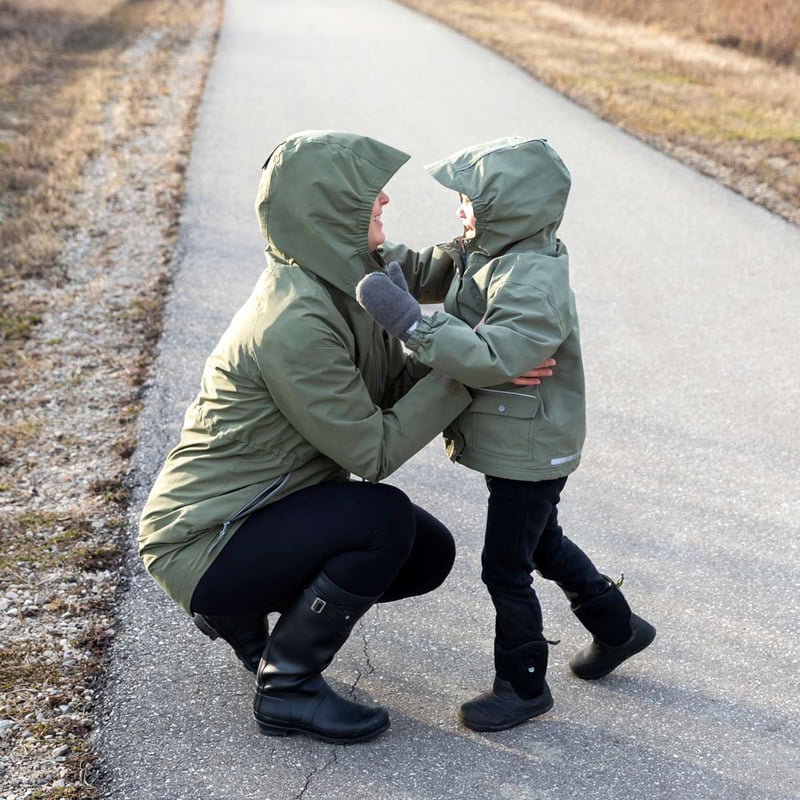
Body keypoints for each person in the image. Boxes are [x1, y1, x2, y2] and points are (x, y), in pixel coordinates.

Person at [138, 130, 553, 745]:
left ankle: (241, 617)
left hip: (261, 511)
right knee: (382, 519)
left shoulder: (348, 278)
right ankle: (288, 687)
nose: (384, 199)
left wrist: (483, 318)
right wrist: (474, 368)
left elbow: (400, 361)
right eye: (367, 192)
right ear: (325, 209)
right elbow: (373, 451)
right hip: (203, 536)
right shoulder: (291, 322)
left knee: (426, 552)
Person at [357, 136, 656, 733]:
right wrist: (382, 265)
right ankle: (618, 627)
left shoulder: (531, 277)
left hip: (532, 446)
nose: (460, 212)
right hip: (520, 436)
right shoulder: (488, 249)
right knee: (540, 541)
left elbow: (498, 355)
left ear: (508, 206)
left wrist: (415, 323)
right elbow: (426, 270)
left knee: (504, 567)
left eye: (469, 201)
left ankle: (523, 686)